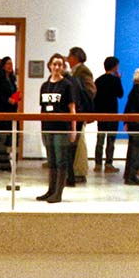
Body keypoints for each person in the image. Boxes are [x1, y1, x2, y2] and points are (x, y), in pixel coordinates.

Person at [37, 54, 80, 203]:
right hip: (48, 126)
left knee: (61, 159)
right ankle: (51, 189)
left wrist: (73, 129)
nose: (56, 67)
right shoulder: (44, 86)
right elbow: (42, 108)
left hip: (62, 127)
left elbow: (72, 108)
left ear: (63, 67)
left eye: (60, 65)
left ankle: (58, 192)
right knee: (52, 160)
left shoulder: (67, 85)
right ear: (49, 66)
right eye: (54, 64)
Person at [68, 47, 97, 181]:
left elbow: (90, 90)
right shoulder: (75, 72)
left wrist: (80, 104)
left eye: (70, 56)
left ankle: (79, 171)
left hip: (80, 111)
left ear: (75, 57)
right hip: (78, 111)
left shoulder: (83, 71)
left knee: (79, 143)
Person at [93, 56, 126, 173]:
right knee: (111, 140)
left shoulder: (98, 80)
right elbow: (120, 94)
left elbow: (95, 98)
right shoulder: (115, 80)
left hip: (101, 113)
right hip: (112, 113)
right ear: (115, 66)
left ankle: (97, 164)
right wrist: (119, 79)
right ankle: (108, 164)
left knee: (100, 139)